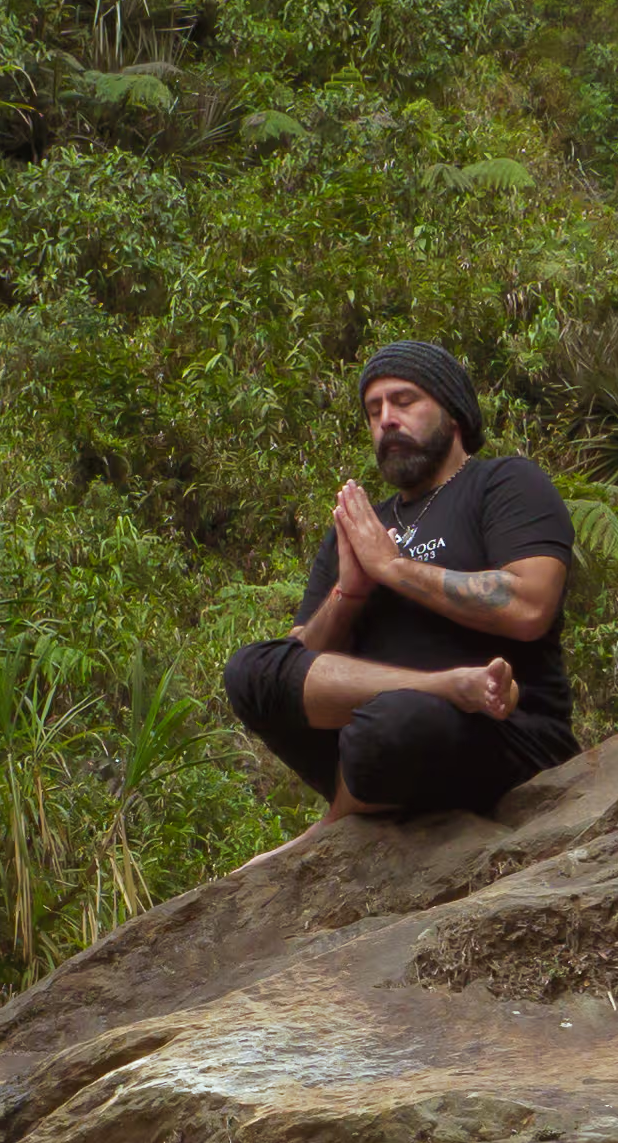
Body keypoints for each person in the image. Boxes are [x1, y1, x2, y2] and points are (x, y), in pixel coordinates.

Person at [221, 339, 580, 818]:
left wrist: (393, 568)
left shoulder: (504, 484)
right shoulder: (362, 525)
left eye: (404, 401)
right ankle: (448, 686)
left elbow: (529, 606)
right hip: (379, 735)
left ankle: (338, 818)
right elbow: (298, 666)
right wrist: (350, 593)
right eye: (374, 411)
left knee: (394, 723)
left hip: (502, 733)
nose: (386, 419)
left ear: (453, 413)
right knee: (252, 670)